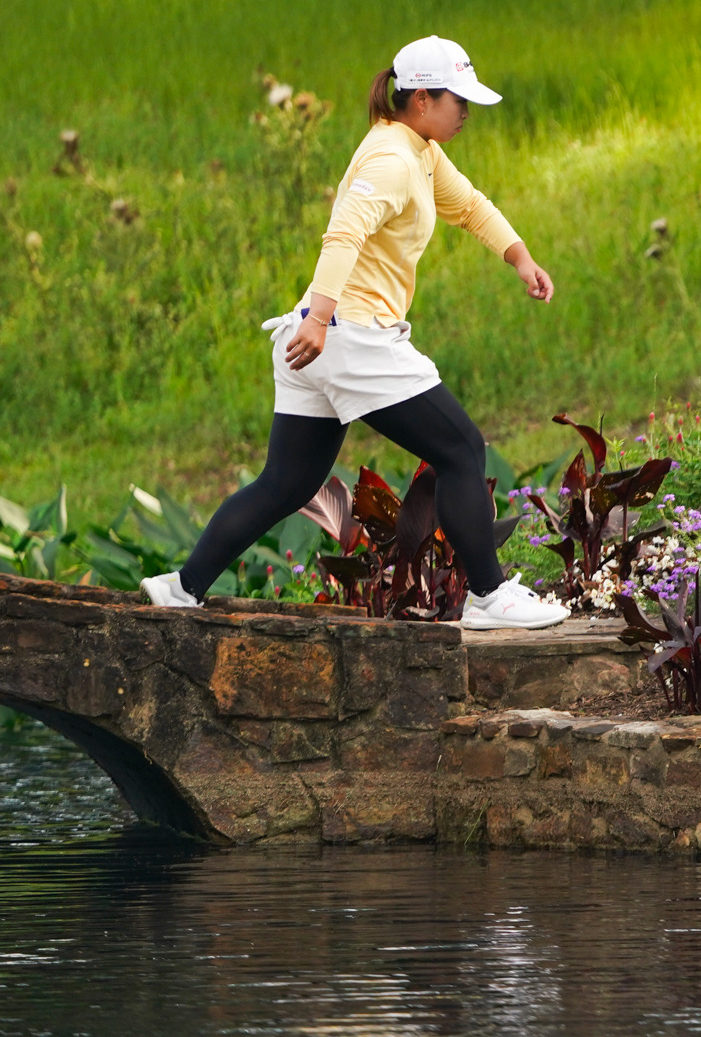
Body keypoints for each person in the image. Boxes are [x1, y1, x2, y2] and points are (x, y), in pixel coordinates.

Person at [141, 35, 570, 630]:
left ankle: (181, 587)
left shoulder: (418, 149)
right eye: (458, 100)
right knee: (463, 451)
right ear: (421, 98)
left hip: (324, 336)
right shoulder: (391, 161)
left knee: (288, 481)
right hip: (349, 337)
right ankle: (489, 599)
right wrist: (320, 320)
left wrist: (520, 257)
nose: (466, 111)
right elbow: (342, 236)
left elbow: (469, 205)